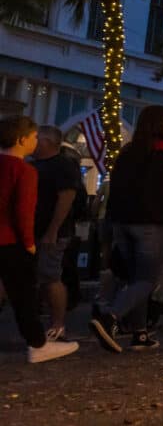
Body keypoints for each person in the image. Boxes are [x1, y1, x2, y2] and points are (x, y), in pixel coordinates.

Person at [91, 105, 163, 353]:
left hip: (123, 220)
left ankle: (140, 332)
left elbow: (116, 188)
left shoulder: (128, 152)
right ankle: (110, 316)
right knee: (148, 278)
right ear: (162, 124)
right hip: (154, 222)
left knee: (135, 278)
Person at [2, 116, 78, 362]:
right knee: (23, 295)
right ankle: (38, 343)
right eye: (33, 137)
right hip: (11, 240)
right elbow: (24, 210)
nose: (35, 142)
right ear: (22, 139)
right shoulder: (24, 170)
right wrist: (28, 242)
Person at [30, 125, 82, 341]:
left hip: (51, 232)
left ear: (47, 142)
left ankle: (58, 325)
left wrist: (53, 230)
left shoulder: (63, 165)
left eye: (36, 138)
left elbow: (66, 198)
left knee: (50, 275)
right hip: (32, 230)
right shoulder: (34, 165)